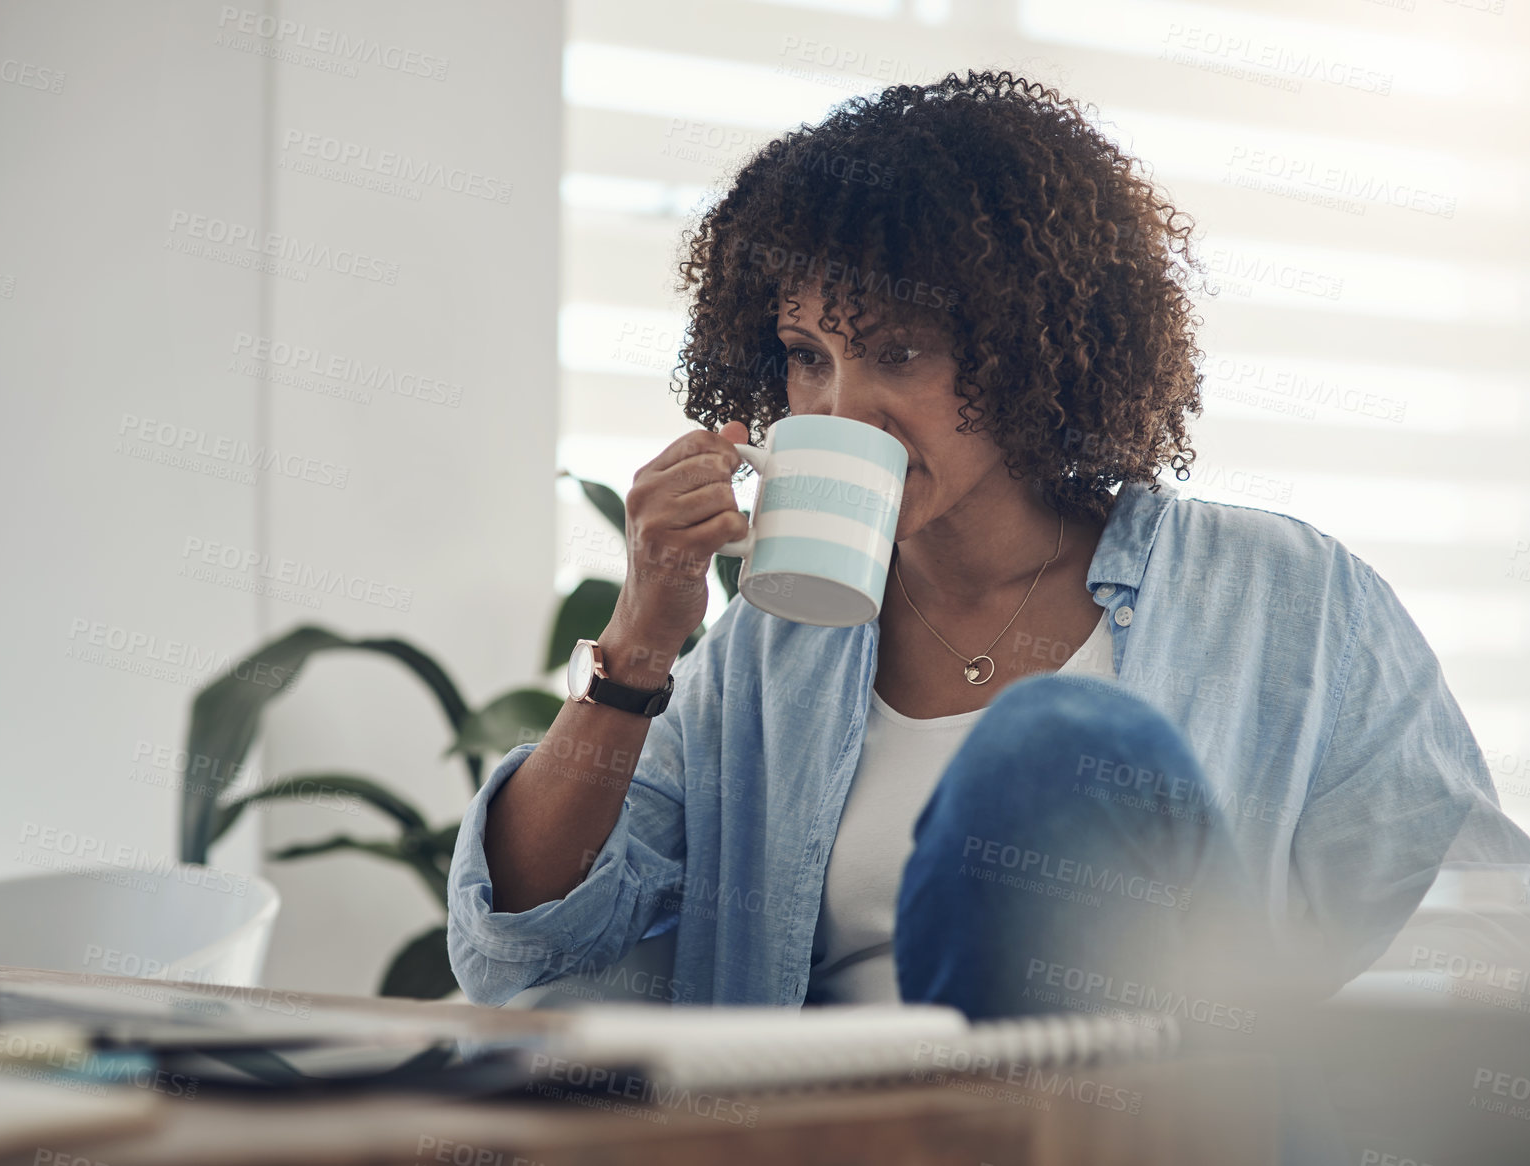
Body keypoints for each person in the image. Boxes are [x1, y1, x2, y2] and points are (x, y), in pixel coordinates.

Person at [446, 70, 1528, 1037]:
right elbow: (523, 952)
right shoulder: (763, 661)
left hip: (1173, 1135)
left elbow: (1483, 948)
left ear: (1030, 353)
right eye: (805, 357)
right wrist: (642, 636)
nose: (842, 407)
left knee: (1052, 746)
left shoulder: (1287, 600)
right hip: (835, 1140)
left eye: (899, 352)